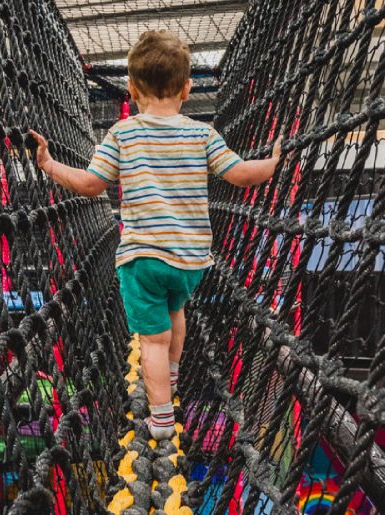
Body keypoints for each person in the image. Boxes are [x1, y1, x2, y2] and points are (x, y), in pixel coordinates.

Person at [29, 30, 281, 440]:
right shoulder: (201, 133)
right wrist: (271, 164)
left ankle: (161, 417)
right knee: (175, 314)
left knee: (153, 339)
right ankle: (174, 380)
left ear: (131, 89)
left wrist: (50, 165)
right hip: (190, 261)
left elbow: (92, 184)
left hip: (143, 258)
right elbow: (239, 174)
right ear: (187, 88)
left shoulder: (123, 134)